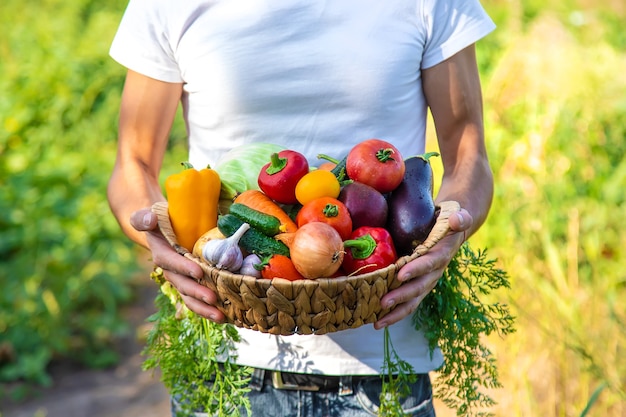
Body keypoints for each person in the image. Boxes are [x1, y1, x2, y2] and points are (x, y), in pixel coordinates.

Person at [107, 1, 495, 416]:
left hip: (382, 366)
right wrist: (157, 239)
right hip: (222, 365)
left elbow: (468, 152)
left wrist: (448, 235)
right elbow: (134, 161)